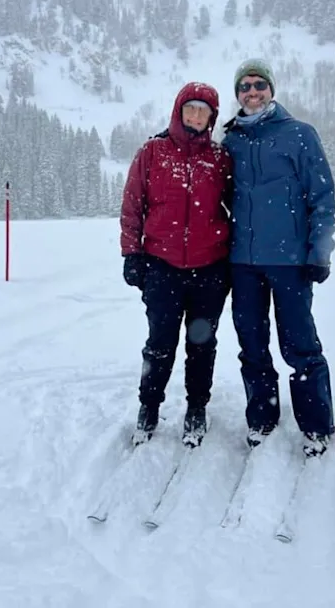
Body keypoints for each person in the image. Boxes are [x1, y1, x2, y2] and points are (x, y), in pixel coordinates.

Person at [221, 58, 335, 458]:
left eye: (259, 84)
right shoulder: (231, 141)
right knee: (251, 344)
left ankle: (317, 425)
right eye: (244, 86)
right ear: (237, 93)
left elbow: (322, 199)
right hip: (243, 263)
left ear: (271, 89)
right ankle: (262, 417)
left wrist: (318, 252)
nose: (252, 92)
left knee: (300, 345)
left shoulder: (299, 135)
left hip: (290, 262)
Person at [120, 81, 233, 448]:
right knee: (159, 343)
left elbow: (238, 208)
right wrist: (131, 254)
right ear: (179, 111)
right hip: (162, 268)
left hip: (210, 270)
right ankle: (148, 407)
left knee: (202, 345)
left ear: (212, 118)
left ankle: (197, 408)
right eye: (191, 108)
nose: (196, 116)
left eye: (204, 111)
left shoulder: (220, 158)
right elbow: (132, 206)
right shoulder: (152, 153)